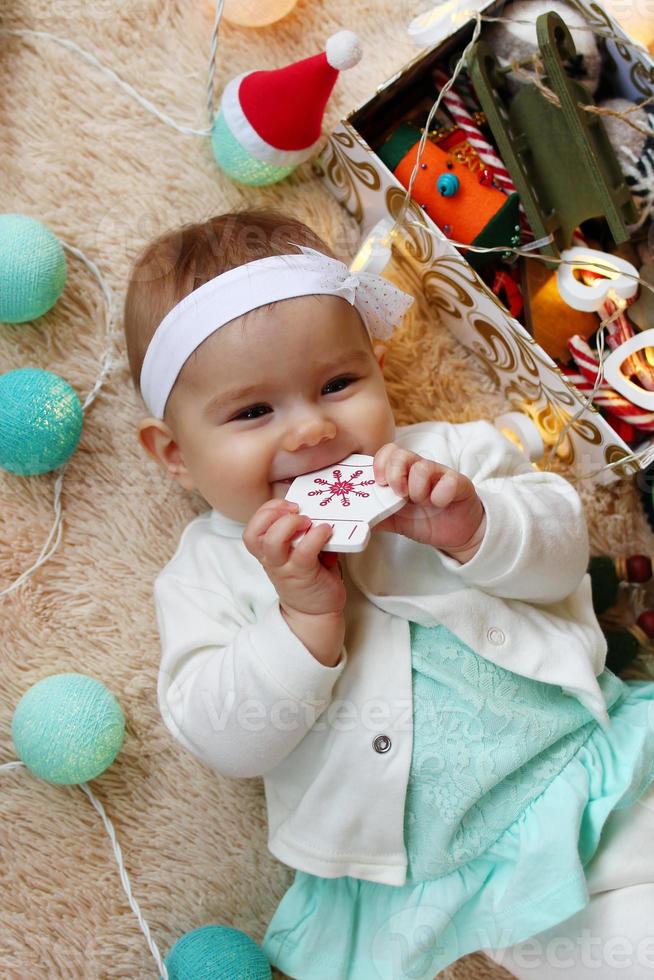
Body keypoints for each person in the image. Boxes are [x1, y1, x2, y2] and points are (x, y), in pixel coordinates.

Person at [125, 207, 654, 979]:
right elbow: (221, 737)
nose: (310, 431)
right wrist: (301, 621)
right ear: (175, 454)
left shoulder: (440, 458)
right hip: (476, 869)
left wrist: (478, 526)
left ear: (376, 367)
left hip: (595, 753)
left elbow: (563, 544)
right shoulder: (207, 571)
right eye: (252, 412)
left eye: (337, 383)